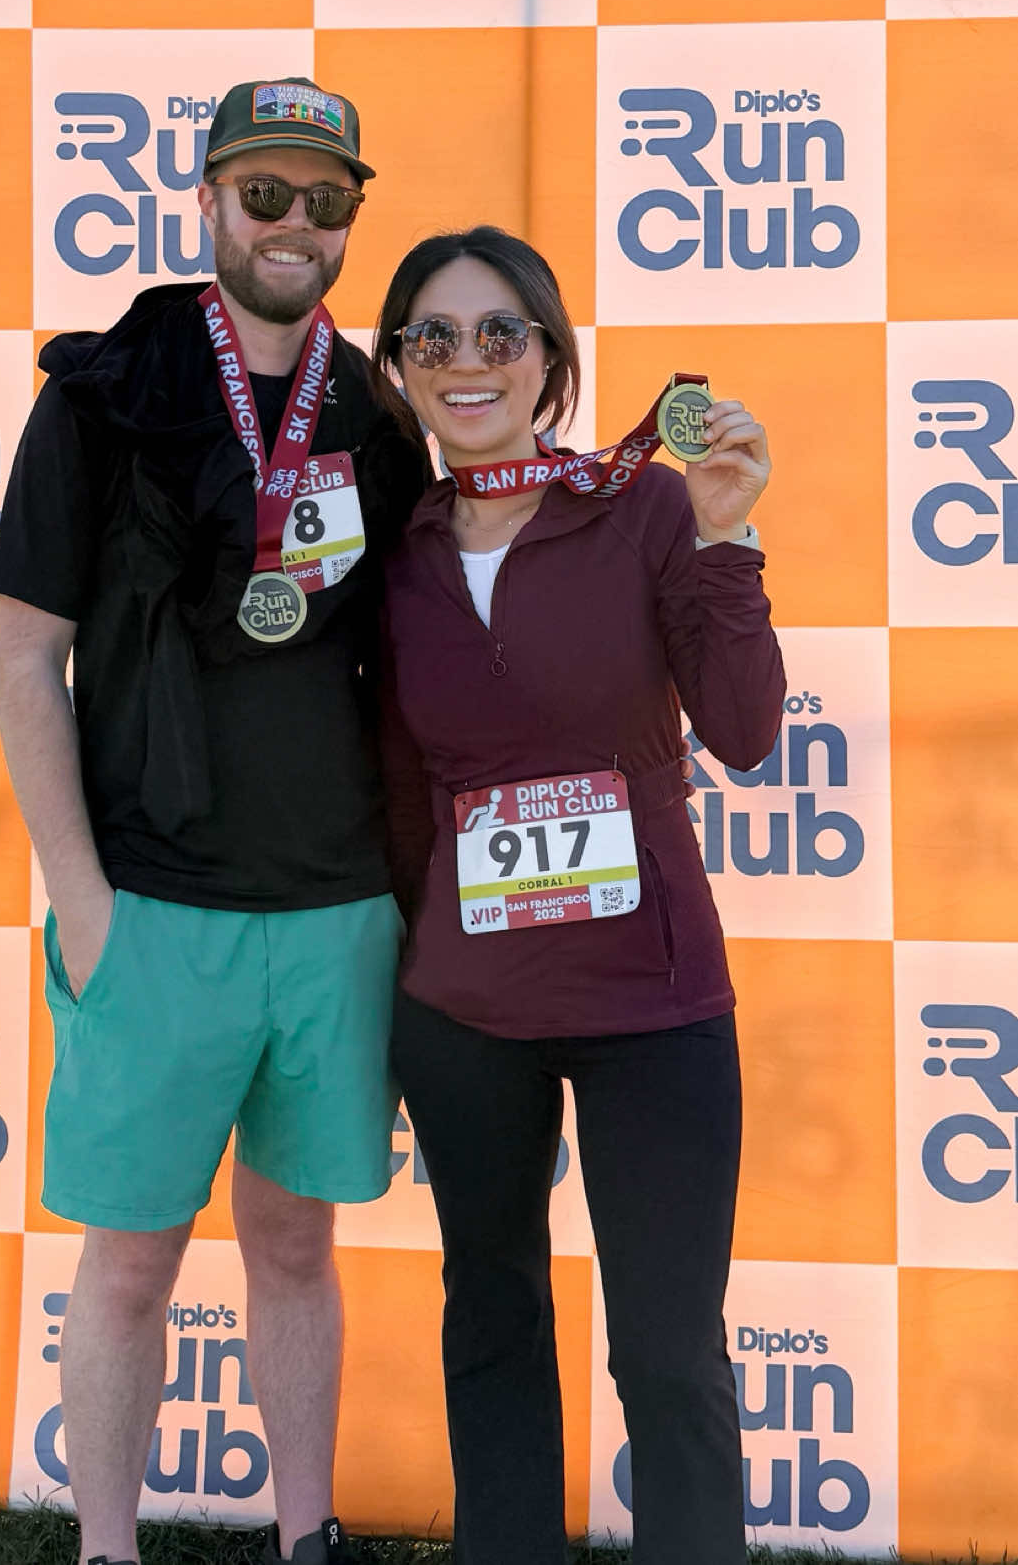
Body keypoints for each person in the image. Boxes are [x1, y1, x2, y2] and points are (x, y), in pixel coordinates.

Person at [0, 77, 430, 1565]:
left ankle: (306, 1537)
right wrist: (82, 900)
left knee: (297, 1248)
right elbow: (25, 659)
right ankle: (106, 1549)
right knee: (128, 1265)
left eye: (326, 199)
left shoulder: (376, 411)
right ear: (210, 202)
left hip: (335, 911)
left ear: (351, 218)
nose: (296, 223)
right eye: (265, 193)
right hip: (153, 909)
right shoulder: (104, 391)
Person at [372, 226, 785, 1565]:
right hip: (463, 1014)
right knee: (491, 1325)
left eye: (502, 332)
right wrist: (403, 981)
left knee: (668, 1354)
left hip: (652, 1006)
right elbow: (398, 800)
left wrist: (726, 534)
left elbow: (744, 732)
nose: (469, 360)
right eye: (434, 336)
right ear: (400, 370)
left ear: (549, 358)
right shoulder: (393, 551)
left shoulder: (646, 507)